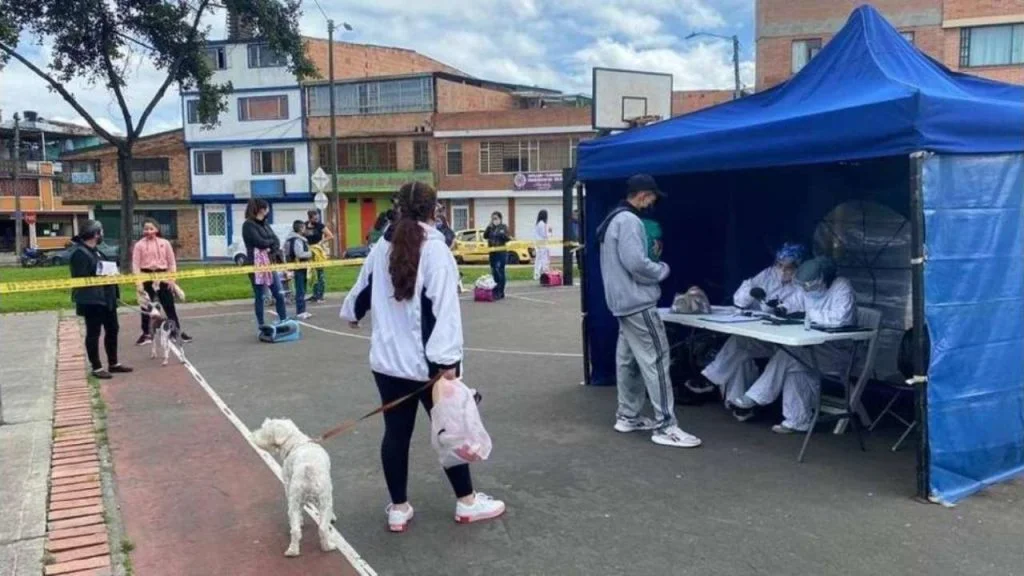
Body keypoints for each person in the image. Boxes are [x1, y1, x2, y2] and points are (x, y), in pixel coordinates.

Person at [341, 181, 505, 533]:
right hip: (431, 367)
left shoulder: (379, 248)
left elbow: (359, 294)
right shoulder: (436, 251)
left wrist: (352, 315)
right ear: (435, 210)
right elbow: (445, 310)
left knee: (396, 435)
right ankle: (467, 502)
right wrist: (449, 363)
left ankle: (398, 509)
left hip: (386, 364)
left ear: (399, 207)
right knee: (450, 430)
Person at [596, 174, 702, 448]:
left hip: (622, 304)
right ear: (643, 195)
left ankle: (628, 415)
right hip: (638, 303)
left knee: (628, 360)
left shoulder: (613, 219)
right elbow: (637, 263)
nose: (654, 202)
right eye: (653, 196)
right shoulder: (630, 221)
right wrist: (662, 270)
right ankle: (666, 425)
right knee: (656, 359)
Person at [729, 256, 858, 433]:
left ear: (825, 279)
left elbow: (841, 318)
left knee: (789, 354)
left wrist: (808, 315)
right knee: (794, 361)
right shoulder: (808, 288)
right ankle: (797, 421)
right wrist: (782, 306)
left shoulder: (841, 287)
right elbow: (797, 299)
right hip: (814, 348)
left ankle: (755, 397)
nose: (807, 289)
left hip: (838, 352)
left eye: (810, 285)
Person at [686, 243, 807, 419]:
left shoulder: (805, 283)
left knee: (780, 356)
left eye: (789, 267)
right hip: (766, 334)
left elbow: (797, 306)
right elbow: (741, 298)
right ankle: (721, 389)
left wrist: (780, 307)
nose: (783, 270)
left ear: (799, 266)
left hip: (789, 340)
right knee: (739, 342)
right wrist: (751, 293)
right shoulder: (768, 274)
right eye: (780, 265)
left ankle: (751, 399)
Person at [69, 220, 132, 379]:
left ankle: (113, 363)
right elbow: (81, 278)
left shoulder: (96, 251)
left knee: (112, 330)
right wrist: (100, 274)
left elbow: (103, 267)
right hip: (92, 301)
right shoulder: (79, 253)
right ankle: (96, 367)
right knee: (93, 333)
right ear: (95, 234)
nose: (102, 235)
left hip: (107, 299)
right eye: (101, 232)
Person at [132, 218, 191, 345]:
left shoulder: (165, 243)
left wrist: (171, 279)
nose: (148, 231)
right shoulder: (139, 245)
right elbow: (136, 265)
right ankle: (147, 333)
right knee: (147, 306)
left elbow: (171, 262)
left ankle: (176, 331)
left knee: (169, 305)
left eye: (151, 228)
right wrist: (139, 283)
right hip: (146, 276)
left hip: (163, 276)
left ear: (157, 229)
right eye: (146, 229)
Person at [242, 198, 288, 327]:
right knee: (260, 295)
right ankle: (261, 324)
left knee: (278, 293)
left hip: (269, 262)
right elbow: (259, 242)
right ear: (262, 209)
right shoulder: (248, 225)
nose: (268, 211)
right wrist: (268, 244)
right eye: (267, 208)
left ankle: (283, 319)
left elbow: (275, 240)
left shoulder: (265, 224)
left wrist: (270, 245)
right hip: (255, 264)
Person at [284, 220, 313, 320]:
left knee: (302, 288)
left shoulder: (293, 239)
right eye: (304, 227)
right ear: (301, 229)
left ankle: (303, 310)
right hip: (298, 267)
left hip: (300, 267)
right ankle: (300, 311)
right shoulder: (297, 240)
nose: (305, 229)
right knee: (300, 289)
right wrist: (311, 253)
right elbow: (299, 253)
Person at [304, 209, 333, 303]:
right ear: (310, 218)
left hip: (317, 250)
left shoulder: (320, 226)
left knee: (320, 273)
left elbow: (330, 235)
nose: (317, 220)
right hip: (308, 251)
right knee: (311, 273)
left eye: (318, 218)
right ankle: (314, 294)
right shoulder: (304, 225)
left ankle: (320, 294)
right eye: (315, 218)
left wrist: (322, 242)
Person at [483, 212, 510, 300]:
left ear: (500, 219)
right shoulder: (491, 228)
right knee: (494, 271)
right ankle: (495, 289)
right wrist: (488, 227)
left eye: (496, 218)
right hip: (492, 253)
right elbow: (485, 236)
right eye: (493, 218)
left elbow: (507, 238)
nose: (494, 220)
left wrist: (501, 234)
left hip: (501, 252)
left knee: (499, 271)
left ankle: (500, 291)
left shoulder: (503, 227)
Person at [533, 210, 551, 280]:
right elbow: (544, 235)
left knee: (539, 259)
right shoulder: (542, 224)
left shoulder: (538, 224)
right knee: (543, 259)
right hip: (542, 244)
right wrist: (549, 232)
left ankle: (538, 274)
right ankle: (542, 274)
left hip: (539, 243)